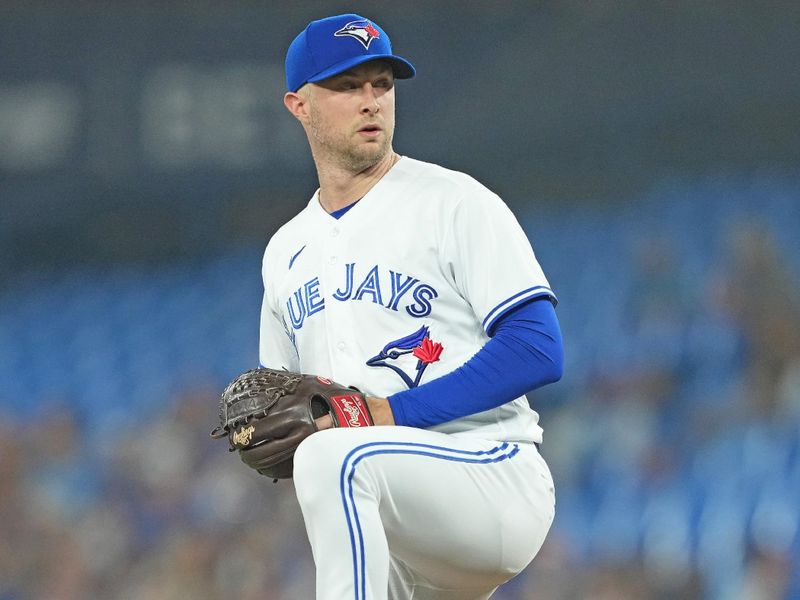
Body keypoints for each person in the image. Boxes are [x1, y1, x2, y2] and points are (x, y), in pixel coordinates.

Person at [259, 13, 564, 600]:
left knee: (336, 458)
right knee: (329, 459)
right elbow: (287, 401)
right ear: (298, 105)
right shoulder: (284, 253)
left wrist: (384, 414)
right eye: (347, 86)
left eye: (382, 84)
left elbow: (537, 348)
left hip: (490, 471)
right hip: (401, 523)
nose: (371, 101)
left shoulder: (454, 202)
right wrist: (272, 437)